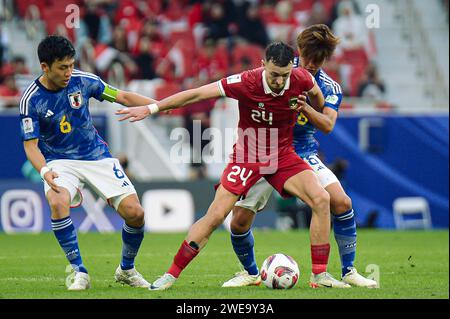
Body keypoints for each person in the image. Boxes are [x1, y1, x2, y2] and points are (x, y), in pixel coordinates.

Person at [118, 41, 336, 291]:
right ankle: (170, 275)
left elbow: (317, 95)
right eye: (274, 74)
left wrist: (310, 108)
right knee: (217, 215)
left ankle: (320, 275)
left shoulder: (301, 78)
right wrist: (152, 107)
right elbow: (196, 94)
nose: (279, 81)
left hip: (282, 154)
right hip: (247, 155)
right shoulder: (245, 81)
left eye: (284, 76)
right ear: (263, 65)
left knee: (321, 199)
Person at [221, 24, 378, 289]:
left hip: (301, 151)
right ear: (299, 51)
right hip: (264, 150)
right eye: (308, 59)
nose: (312, 65)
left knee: (341, 202)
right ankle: (250, 272)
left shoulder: (330, 87)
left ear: (326, 59)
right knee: (238, 221)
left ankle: (346, 271)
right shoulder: (279, 68)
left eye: (319, 61)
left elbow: (327, 125)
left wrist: (305, 106)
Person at [19, 35, 155, 291]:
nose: (69, 72)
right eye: (62, 67)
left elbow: (122, 96)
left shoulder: (84, 81)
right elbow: (30, 146)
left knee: (135, 214)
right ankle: (79, 271)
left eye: (71, 65)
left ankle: (126, 269)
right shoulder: (31, 99)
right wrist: (45, 170)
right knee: (58, 201)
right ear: (45, 67)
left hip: (96, 156)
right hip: (58, 160)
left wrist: (158, 106)